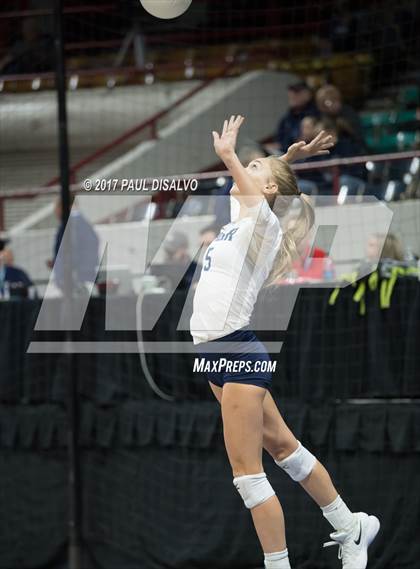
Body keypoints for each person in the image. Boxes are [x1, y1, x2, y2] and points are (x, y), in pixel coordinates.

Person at [190, 115, 380, 569]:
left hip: (235, 351)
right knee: (284, 450)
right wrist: (285, 159)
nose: (246, 172)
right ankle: (350, 524)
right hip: (215, 354)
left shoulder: (264, 226)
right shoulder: (240, 219)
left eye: (257, 171)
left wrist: (234, 157)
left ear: (267, 192)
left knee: (249, 479)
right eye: (249, 167)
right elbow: (261, 188)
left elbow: (260, 194)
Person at [49, 195, 99, 292]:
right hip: (74, 279)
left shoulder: (74, 223)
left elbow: (73, 251)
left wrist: (71, 273)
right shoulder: (73, 223)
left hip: (76, 280)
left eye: (56, 208)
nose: (55, 212)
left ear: (61, 207)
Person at [276, 82, 319, 152]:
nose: (293, 95)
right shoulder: (286, 118)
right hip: (288, 154)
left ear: (307, 94)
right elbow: (280, 140)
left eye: (297, 92)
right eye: (291, 92)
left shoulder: (316, 114)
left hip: (311, 154)